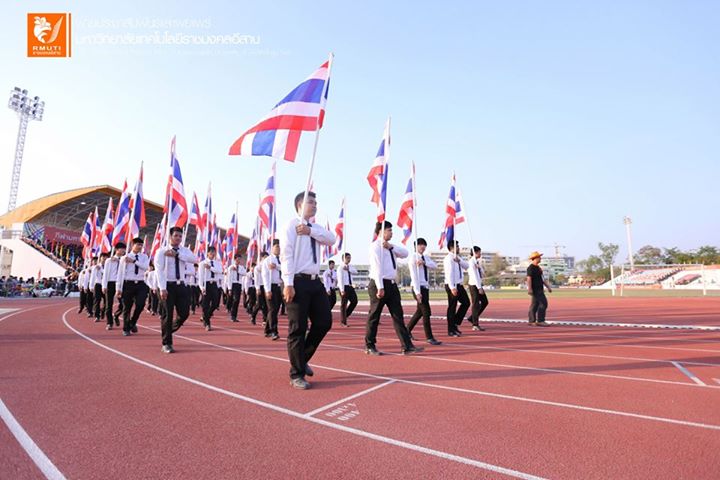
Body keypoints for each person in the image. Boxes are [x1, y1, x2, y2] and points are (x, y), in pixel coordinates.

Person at [281, 191, 336, 390]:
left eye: (316, 202)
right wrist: (288, 283)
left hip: (315, 282)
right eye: (311, 202)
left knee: (324, 322)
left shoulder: (315, 228)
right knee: (298, 328)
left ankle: (301, 358)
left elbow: (331, 239)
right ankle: (296, 373)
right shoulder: (290, 226)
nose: (315, 205)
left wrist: (309, 231)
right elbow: (286, 255)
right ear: (299, 205)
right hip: (297, 281)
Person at [365, 221, 423, 356]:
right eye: (389, 230)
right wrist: (380, 287)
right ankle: (369, 345)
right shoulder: (375, 247)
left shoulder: (391, 247)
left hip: (392, 285)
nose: (391, 233)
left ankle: (406, 345)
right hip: (379, 284)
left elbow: (405, 253)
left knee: (398, 315)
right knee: (374, 316)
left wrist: (390, 247)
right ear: (381, 231)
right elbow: (377, 268)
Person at [155, 226, 197, 352]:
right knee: (167, 314)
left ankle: (168, 329)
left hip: (181, 285)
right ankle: (166, 343)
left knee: (184, 313)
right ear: (170, 236)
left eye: (180, 236)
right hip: (167, 285)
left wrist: (177, 255)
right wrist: (162, 288)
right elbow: (159, 271)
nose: (178, 238)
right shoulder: (162, 251)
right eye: (175, 236)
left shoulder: (184, 251)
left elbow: (194, 259)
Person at [406, 238, 441, 345]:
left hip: (425, 287)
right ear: (416, 246)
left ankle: (407, 331)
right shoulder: (413, 258)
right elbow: (414, 276)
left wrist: (424, 263)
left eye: (424, 245)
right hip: (418, 287)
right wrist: (417, 292)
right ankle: (429, 337)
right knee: (426, 312)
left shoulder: (425, 257)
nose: (423, 247)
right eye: (420, 245)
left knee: (419, 312)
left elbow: (435, 266)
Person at [116, 238, 150, 336]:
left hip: (141, 283)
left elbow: (146, 267)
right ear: (132, 245)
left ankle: (133, 322)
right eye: (138, 244)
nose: (140, 247)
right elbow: (120, 273)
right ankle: (126, 328)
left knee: (140, 304)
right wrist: (118, 288)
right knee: (127, 307)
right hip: (128, 284)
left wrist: (134, 261)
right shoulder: (125, 258)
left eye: (141, 245)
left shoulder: (144, 257)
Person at [443, 240, 469, 337]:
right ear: (452, 247)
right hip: (452, 285)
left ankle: (455, 323)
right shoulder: (448, 259)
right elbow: (449, 274)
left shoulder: (457, 258)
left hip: (459, 284)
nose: (459, 248)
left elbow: (467, 266)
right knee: (452, 307)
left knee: (466, 303)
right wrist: (452, 287)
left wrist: (459, 260)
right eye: (457, 246)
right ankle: (451, 330)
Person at [102, 242, 126, 330]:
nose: (123, 251)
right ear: (116, 250)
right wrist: (104, 285)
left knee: (124, 304)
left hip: (120, 283)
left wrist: (120, 260)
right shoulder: (109, 260)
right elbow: (105, 274)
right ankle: (109, 323)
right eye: (121, 249)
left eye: (124, 249)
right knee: (109, 304)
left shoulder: (124, 260)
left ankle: (116, 315)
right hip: (110, 283)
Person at [198, 246, 223, 331]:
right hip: (206, 284)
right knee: (205, 304)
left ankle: (206, 317)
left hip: (214, 284)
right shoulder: (202, 263)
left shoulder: (217, 263)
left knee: (215, 303)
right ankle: (207, 323)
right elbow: (200, 276)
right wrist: (202, 287)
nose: (212, 254)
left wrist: (210, 268)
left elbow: (220, 271)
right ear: (207, 253)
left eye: (214, 252)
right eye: (211, 252)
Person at [262, 240, 282, 340]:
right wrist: (267, 290)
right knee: (273, 309)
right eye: (276, 247)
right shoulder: (268, 260)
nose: (278, 249)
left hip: (280, 287)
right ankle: (274, 331)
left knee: (275, 309)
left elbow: (286, 269)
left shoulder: (282, 259)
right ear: (272, 248)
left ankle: (267, 330)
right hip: (271, 287)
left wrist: (277, 266)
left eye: (279, 247)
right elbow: (265, 276)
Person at [527, 251, 552, 326]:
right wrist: (530, 289)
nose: (540, 258)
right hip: (535, 289)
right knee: (543, 303)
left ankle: (531, 321)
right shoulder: (530, 268)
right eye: (539, 257)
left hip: (540, 288)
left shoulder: (539, 268)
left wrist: (548, 287)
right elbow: (529, 279)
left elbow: (542, 279)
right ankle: (541, 320)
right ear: (535, 258)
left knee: (534, 305)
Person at [467, 246, 488, 331]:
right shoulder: (471, 262)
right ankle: (475, 324)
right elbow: (474, 276)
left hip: (479, 284)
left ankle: (472, 317)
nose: (480, 254)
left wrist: (479, 267)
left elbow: (482, 274)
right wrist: (479, 288)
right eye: (479, 252)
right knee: (475, 304)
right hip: (474, 285)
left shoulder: (476, 262)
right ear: (475, 252)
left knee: (485, 302)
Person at [337, 252, 358, 327]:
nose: (349, 259)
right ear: (343, 259)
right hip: (344, 287)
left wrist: (348, 269)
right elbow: (340, 279)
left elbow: (356, 272)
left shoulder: (350, 266)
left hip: (350, 286)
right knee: (344, 304)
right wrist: (342, 289)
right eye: (347, 258)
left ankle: (346, 315)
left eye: (350, 258)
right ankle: (343, 322)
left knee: (354, 301)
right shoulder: (340, 267)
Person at [227, 255, 246, 321]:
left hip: (239, 284)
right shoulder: (230, 268)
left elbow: (244, 273)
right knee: (233, 299)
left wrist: (238, 271)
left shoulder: (241, 267)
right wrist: (229, 288)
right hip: (233, 284)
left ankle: (234, 316)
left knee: (237, 300)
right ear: (235, 259)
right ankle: (231, 311)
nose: (239, 261)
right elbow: (229, 278)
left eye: (240, 259)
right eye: (237, 259)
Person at [252, 253, 269, 326]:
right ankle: (253, 316)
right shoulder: (258, 267)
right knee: (259, 304)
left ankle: (264, 320)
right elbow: (256, 279)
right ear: (261, 258)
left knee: (266, 304)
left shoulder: (269, 265)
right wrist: (257, 288)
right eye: (264, 257)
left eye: (267, 257)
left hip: (266, 286)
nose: (266, 259)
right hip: (260, 286)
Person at [91, 254, 107, 322]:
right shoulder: (96, 267)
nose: (104, 259)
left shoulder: (108, 266)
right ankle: (97, 316)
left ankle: (103, 311)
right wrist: (91, 286)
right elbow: (93, 276)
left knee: (107, 301)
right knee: (97, 301)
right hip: (98, 285)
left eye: (106, 257)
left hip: (106, 285)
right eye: (103, 257)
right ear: (100, 258)